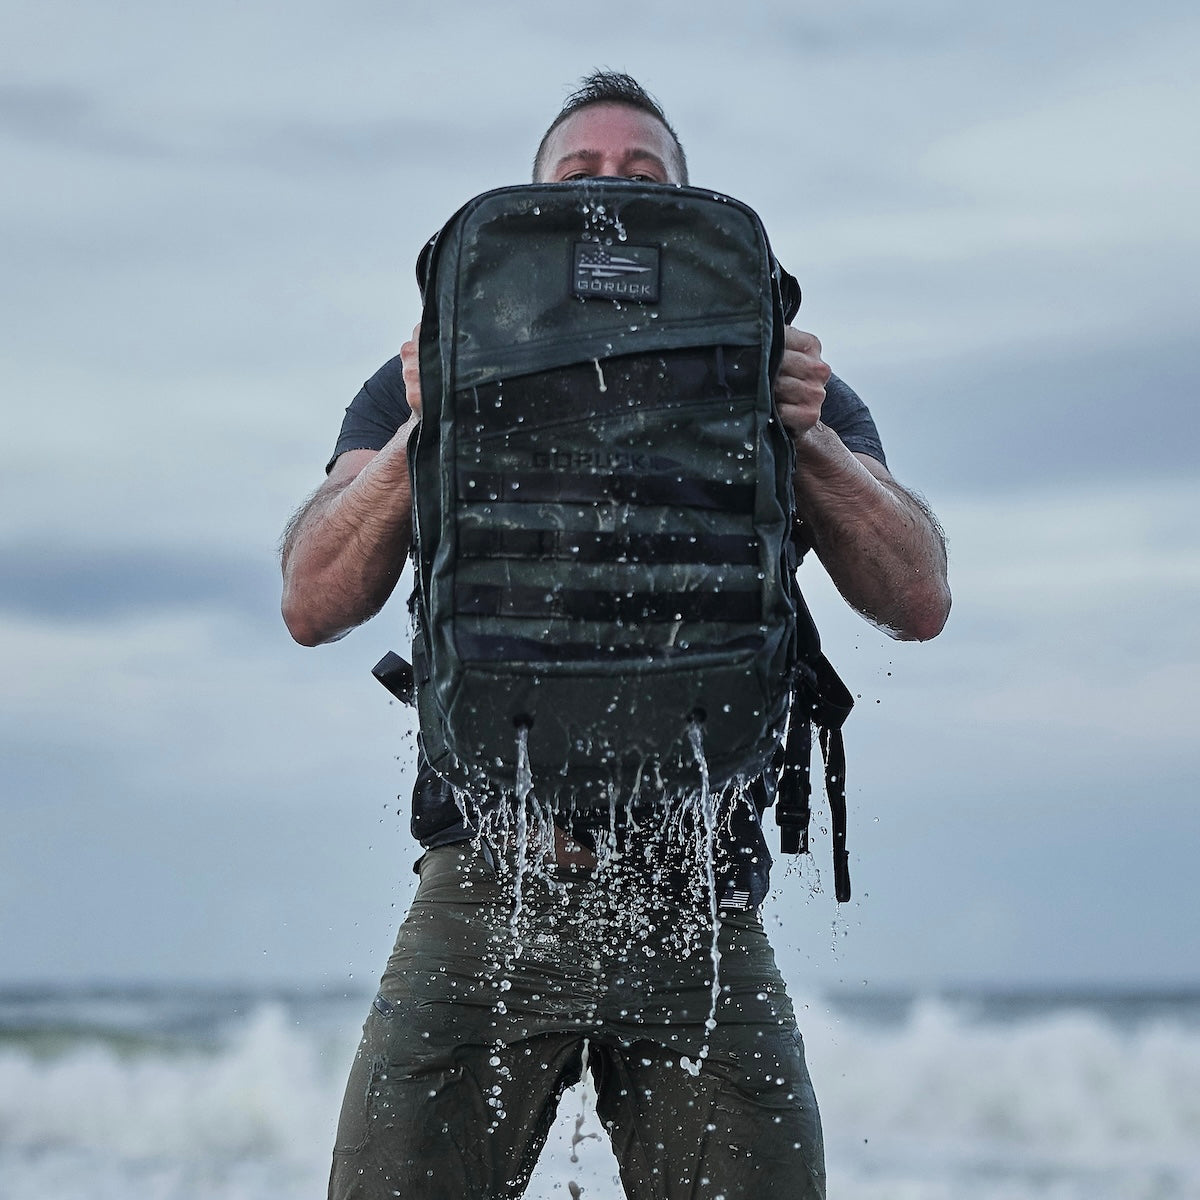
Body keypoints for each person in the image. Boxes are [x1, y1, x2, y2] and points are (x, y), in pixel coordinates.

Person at [281, 71, 950, 1200]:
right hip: (490, 884)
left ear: (686, 219)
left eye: (643, 177)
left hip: (701, 900)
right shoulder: (424, 371)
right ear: (534, 210)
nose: (609, 196)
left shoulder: (781, 376)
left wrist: (810, 440)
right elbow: (312, 598)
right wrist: (425, 421)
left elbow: (918, 595)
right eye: (577, 175)